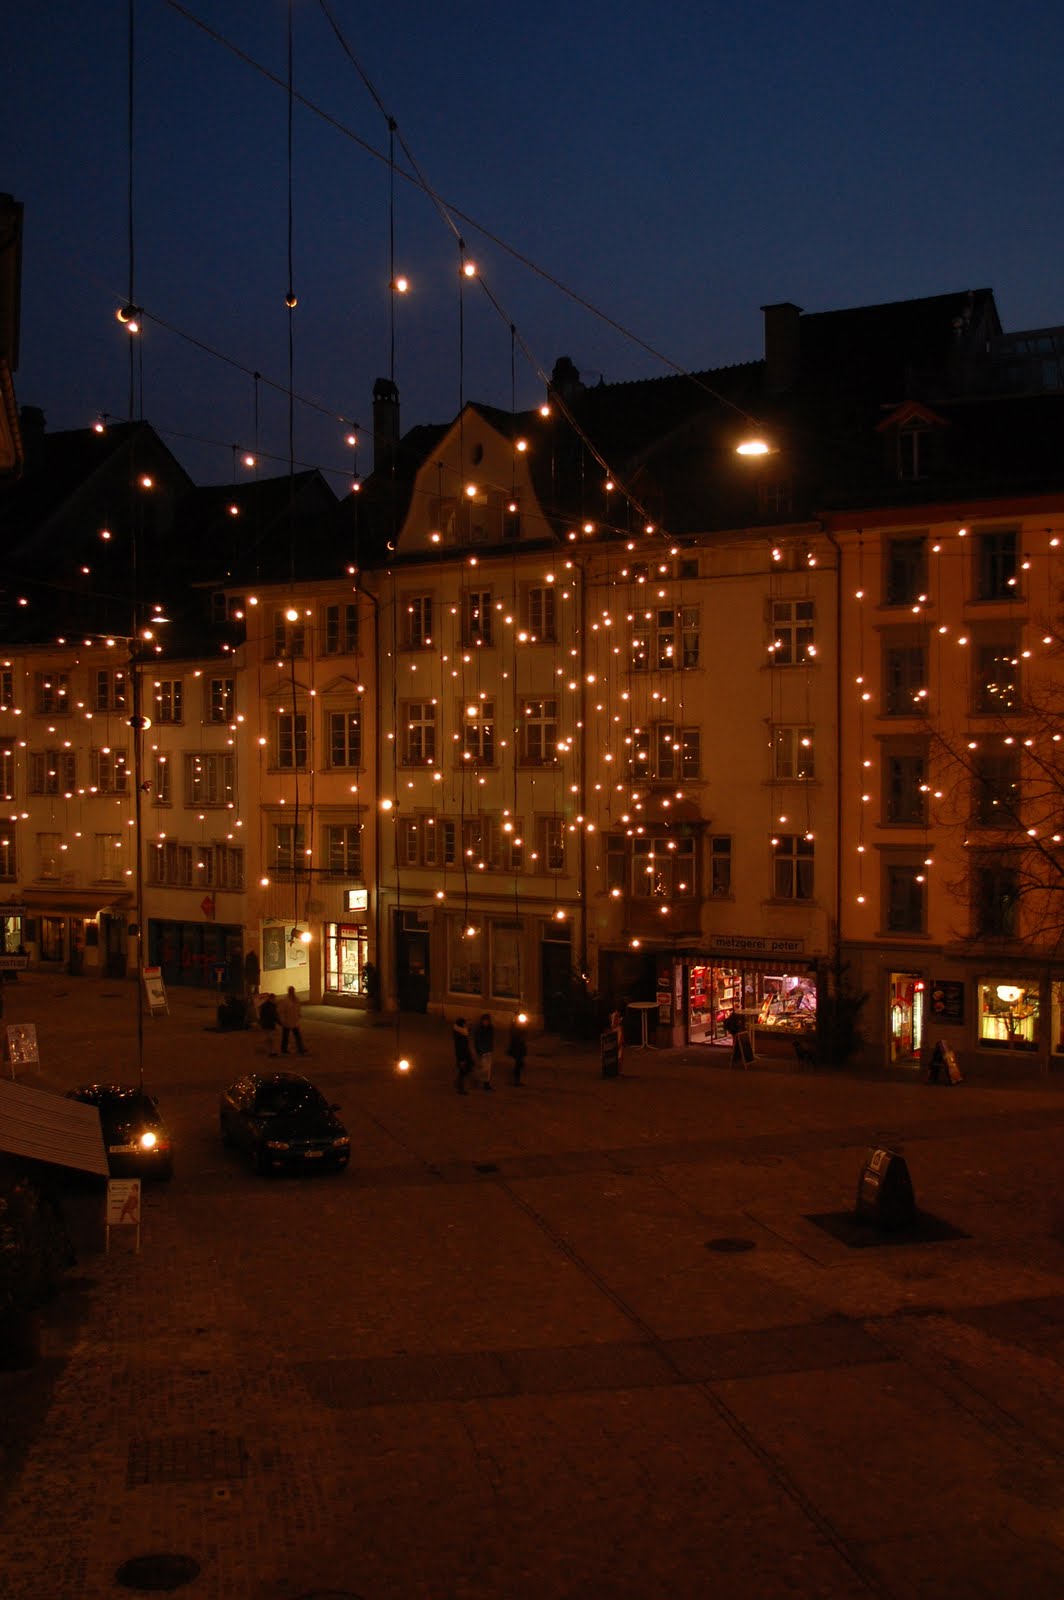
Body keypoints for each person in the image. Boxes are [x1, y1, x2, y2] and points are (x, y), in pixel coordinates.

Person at [277, 986, 307, 1056]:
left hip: (294, 1021)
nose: (292, 992)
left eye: (293, 990)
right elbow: (281, 1011)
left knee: (297, 1036)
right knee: (286, 1036)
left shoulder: (296, 999)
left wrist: (298, 1014)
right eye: (291, 991)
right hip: (287, 1021)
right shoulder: (285, 1001)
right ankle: (284, 1049)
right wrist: (283, 1020)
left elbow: (298, 1008)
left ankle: (300, 1048)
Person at [452, 1017, 474, 1094]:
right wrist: (461, 1059)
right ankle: (460, 1088)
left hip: (465, 1055)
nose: (466, 1024)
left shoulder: (462, 1033)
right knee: (463, 1072)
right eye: (465, 1023)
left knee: (464, 1071)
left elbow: (468, 1032)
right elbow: (460, 1048)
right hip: (462, 1056)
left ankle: (459, 1084)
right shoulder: (460, 1035)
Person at [473, 1012, 495, 1090]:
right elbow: (477, 1041)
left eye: (487, 1021)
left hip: (488, 1051)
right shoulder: (479, 1029)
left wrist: (490, 1049)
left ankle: (486, 1084)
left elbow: (490, 1040)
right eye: (484, 1020)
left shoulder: (490, 1029)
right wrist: (479, 1050)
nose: (486, 1022)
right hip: (481, 1052)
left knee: (487, 1069)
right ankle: (476, 1081)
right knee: (480, 1068)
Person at [507, 1013, 528, 1086]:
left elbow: (524, 1032)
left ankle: (517, 1079)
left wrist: (524, 1025)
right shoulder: (513, 1025)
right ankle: (516, 1080)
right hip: (516, 1047)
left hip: (521, 1047)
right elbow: (515, 1035)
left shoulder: (520, 1024)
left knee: (520, 1063)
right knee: (518, 1064)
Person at [258, 991, 280, 1056]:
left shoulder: (272, 1005)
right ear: (271, 998)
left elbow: (275, 1015)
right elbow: (273, 1015)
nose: (275, 1000)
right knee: (270, 1038)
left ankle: (271, 1051)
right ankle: (270, 1051)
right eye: (274, 999)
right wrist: (279, 1022)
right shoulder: (267, 1006)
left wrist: (279, 1022)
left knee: (270, 1038)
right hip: (267, 1023)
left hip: (269, 1023)